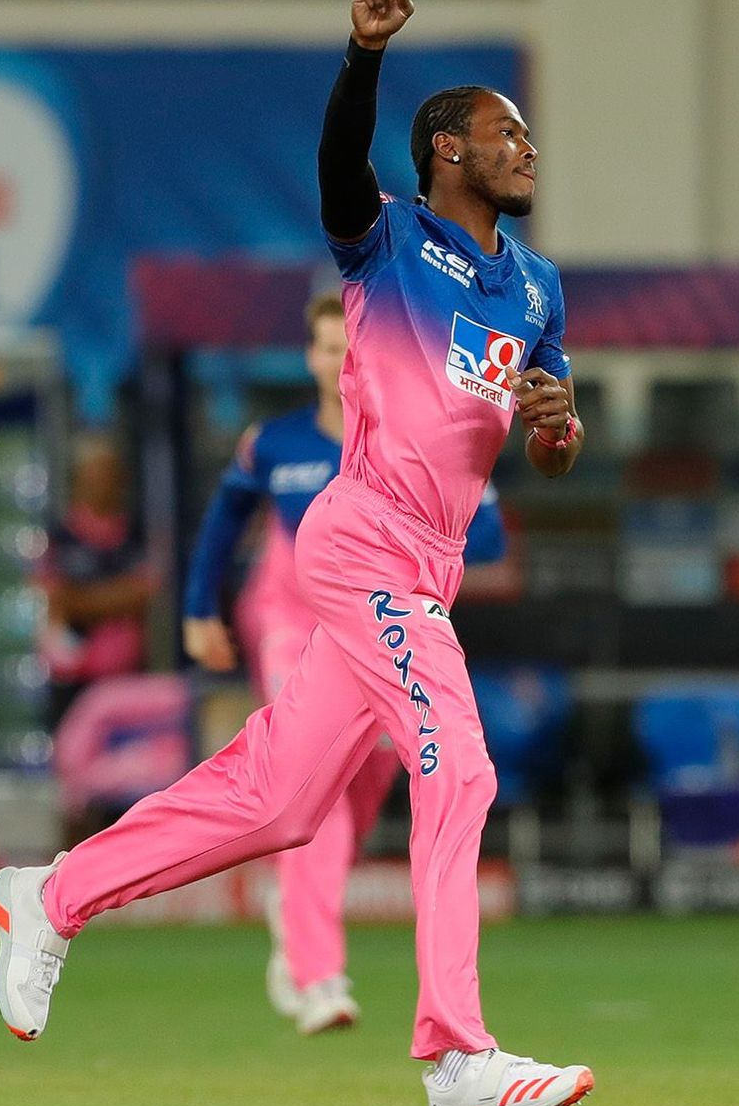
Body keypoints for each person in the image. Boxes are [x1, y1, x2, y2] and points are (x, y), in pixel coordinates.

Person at [0, 0, 596, 1106]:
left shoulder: (535, 287)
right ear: (445, 149)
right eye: (505, 132)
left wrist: (557, 426)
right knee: (459, 766)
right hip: (363, 544)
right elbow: (333, 164)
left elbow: (547, 426)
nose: (525, 149)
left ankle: (54, 892)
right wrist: (362, 55)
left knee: (280, 802)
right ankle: (456, 1058)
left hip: (426, 564)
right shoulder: (385, 241)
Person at [180, 292, 506, 1035]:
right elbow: (225, 517)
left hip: (387, 616)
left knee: (374, 771)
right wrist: (200, 608)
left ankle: (293, 909)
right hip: (292, 621)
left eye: (348, 346)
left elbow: (489, 537)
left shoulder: (411, 436)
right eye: (326, 347)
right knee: (314, 788)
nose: (338, 360)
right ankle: (318, 972)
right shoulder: (275, 443)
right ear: (311, 356)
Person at [39, 437, 159, 725]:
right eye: (92, 477)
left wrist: (85, 600)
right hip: (73, 679)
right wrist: (115, 598)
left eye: (107, 476)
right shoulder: (59, 537)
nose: (101, 486)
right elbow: (57, 600)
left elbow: (143, 592)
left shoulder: (135, 534)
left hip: (126, 678)